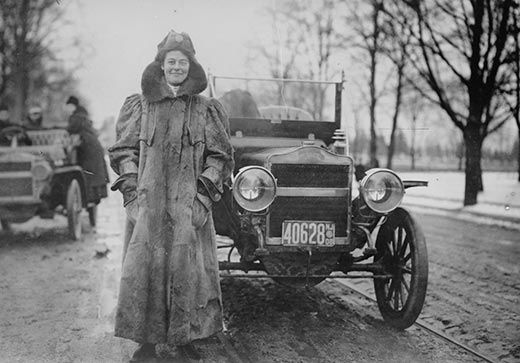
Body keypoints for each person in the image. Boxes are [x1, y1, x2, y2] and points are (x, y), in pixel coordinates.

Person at [108, 30, 234, 361]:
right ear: (161, 67)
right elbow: (122, 152)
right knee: (145, 271)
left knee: (190, 272)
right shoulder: (141, 106)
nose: (176, 67)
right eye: (171, 62)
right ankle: (145, 342)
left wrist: (202, 199)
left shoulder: (206, 109)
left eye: (182, 62)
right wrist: (133, 195)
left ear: (191, 67)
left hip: (188, 207)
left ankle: (186, 338)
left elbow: (220, 157)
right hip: (149, 208)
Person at [65, 96, 109, 204]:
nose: (67, 109)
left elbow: (71, 129)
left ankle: (89, 198)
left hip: (88, 146)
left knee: (88, 169)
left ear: (72, 106)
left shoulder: (76, 116)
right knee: (91, 171)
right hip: (92, 144)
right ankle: (93, 197)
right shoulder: (82, 115)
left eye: (68, 106)